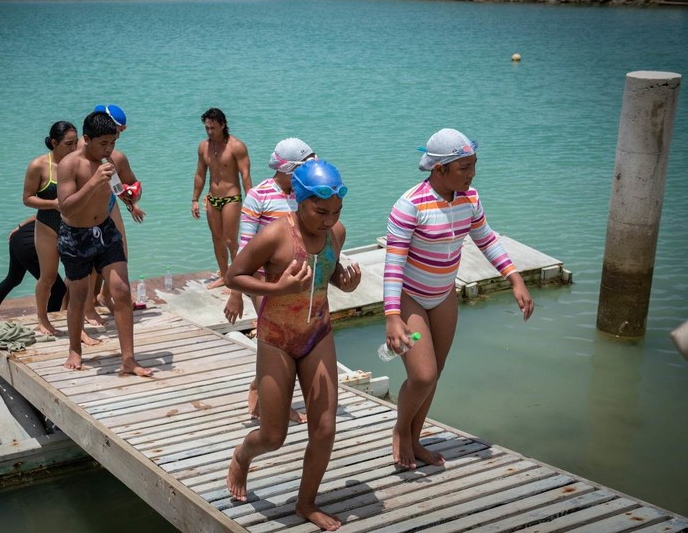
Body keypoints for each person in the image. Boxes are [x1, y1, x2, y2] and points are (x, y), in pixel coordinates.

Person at [383, 128, 535, 470]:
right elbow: (392, 266)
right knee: (422, 375)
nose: (472, 173)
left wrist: (515, 278)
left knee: (436, 374)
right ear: (440, 170)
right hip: (411, 300)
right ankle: (400, 431)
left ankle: (417, 437)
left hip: (444, 297)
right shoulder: (409, 206)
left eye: (473, 164)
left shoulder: (470, 198)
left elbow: (486, 239)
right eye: (464, 167)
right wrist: (392, 316)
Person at [225, 159, 360, 532]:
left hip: (318, 334)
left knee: (326, 429)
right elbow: (233, 276)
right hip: (276, 339)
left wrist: (343, 284)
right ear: (298, 200)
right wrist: (276, 288)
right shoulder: (275, 235)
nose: (328, 220)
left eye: (335, 212)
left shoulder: (336, 233)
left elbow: (323, 276)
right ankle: (242, 455)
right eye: (320, 211)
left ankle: (306, 502)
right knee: (273, 435)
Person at [224, 137, 317, 423]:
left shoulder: (306, 195)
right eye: (306, 166)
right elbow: (244, 245)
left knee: (294, 337)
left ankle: (259, 388)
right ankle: (274, 402)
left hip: (301, 281)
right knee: (278, 338)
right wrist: (236, 293)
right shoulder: (259, 195)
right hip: (266, 280)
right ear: (289, 169)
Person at [56, 110, 153, 376]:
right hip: (75, 236)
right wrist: (93, 183)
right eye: (103, 143)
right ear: (86, 139)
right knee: (78, 296)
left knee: (121, 291)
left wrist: (133, 193)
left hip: (105, 231)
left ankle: (129, 359)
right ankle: (75, 349)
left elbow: (129, 184)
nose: (109, 149)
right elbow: (66, 208)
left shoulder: (113, 158)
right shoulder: (70, 165)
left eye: (113, 143)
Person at [81, 104, 146, 315]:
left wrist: (132, 201)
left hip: (109, 206)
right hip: (84, 211)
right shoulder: (77, 156)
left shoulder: (116, 157)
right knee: (89, 262)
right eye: (118, 131)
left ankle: (104, 296)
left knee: (120, 254)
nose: (117, 138)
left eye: (117, 136)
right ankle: (88, 306)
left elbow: (121, 186)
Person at [22, 121, 78, 336]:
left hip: (73, 226)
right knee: (48, 277)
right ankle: (42, 318)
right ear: (54, 142)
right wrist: (53, 204)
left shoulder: (77, 163)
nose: (73, 149)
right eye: (68, 144)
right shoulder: (38, 165)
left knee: (77, 276)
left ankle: (73, 317)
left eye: (76, 143)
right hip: (47, 225)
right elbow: (27, 199)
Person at [191, 108, 252, 289]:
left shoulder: (236, 146)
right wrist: (194, 199)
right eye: (207, 128)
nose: (210, 132)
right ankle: (225, 277)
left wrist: (252, 201)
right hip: (212, 198)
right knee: (216, 238)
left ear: (223, 125)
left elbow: (245, 175)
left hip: (231, 197)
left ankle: (238, 278)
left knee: (230, 240)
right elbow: (200, 175)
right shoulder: (204, 147)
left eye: (213, 128)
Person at [0, 217, 66, 322]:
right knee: (58, 289)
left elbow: (37, 216)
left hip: (18, 236)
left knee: (13, 279)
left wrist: (19, 226)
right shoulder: (75, 223)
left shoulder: (60, 212)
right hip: (30, 246)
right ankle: (50, 322)